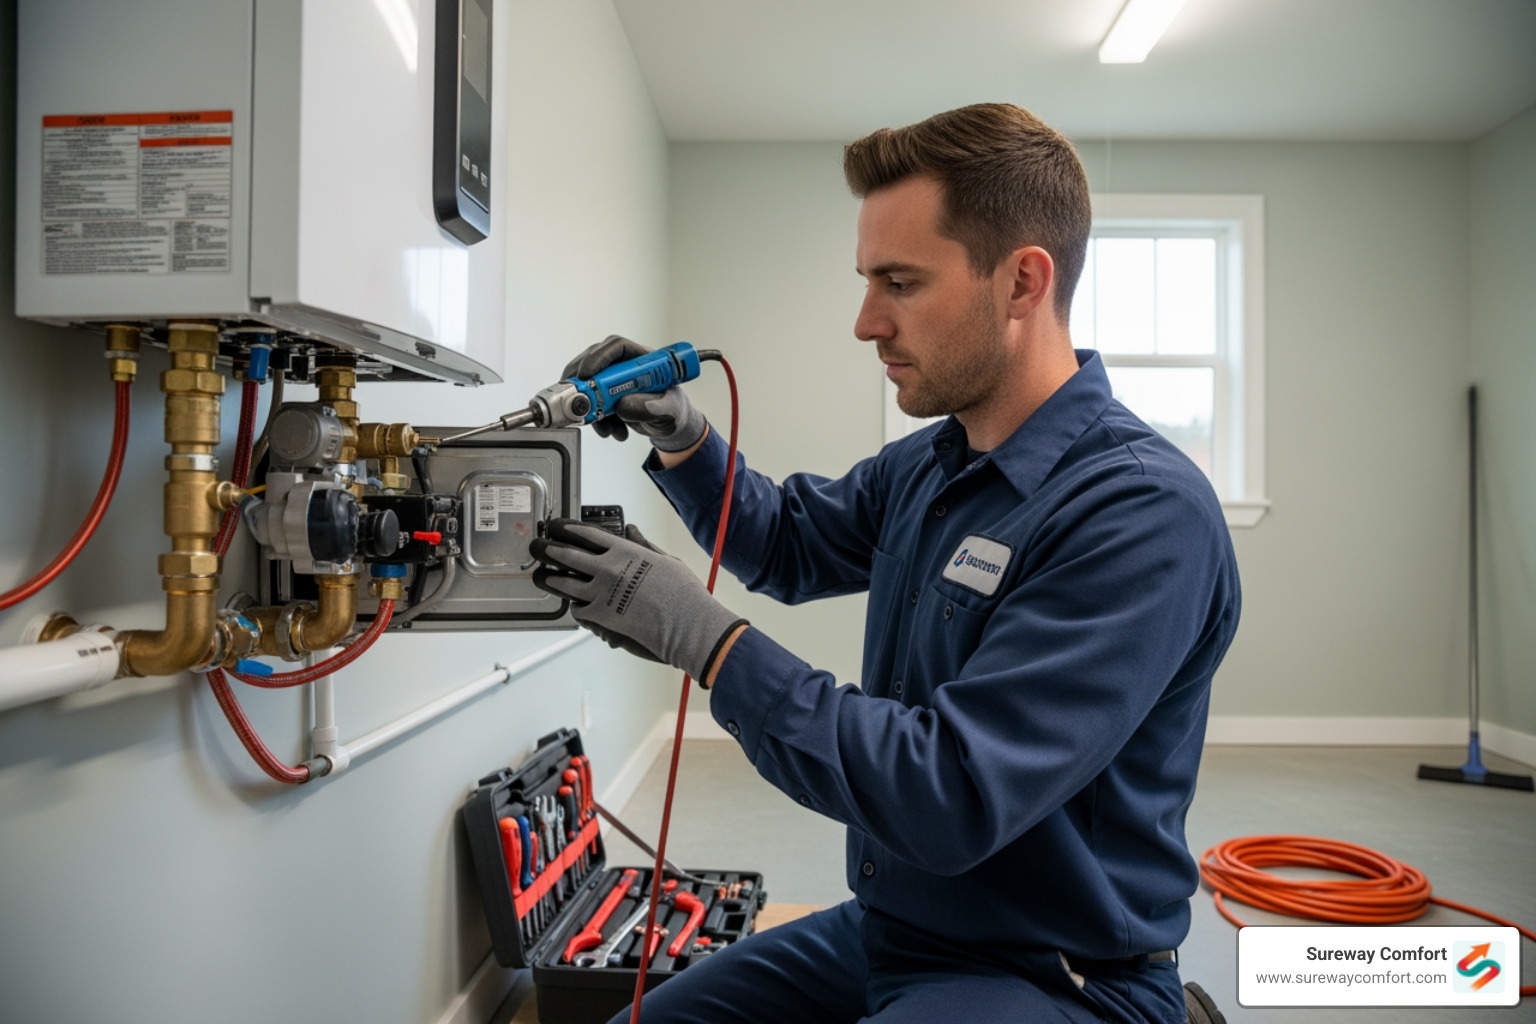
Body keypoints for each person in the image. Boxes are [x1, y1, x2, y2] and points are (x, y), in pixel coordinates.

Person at [530, 103, 1241, 1024]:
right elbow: (787, 542)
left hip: (1056, 973)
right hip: (893, 929)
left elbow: (945, 792)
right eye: (869, 281)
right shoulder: (937, 459)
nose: (867, 322)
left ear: (1024, 281)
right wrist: (685, 437)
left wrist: (705, 643)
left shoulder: (1140, 514)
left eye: (900, 283)